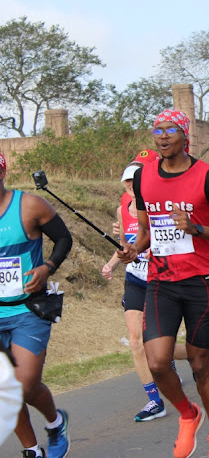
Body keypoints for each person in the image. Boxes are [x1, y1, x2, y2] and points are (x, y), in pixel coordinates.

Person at [117, 109, 209, 458]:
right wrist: (132, 250)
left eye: (171, 130)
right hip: (161, 280)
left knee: (200, 364)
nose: (163, 136)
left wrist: (196, 227)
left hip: (201, 280)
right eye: (158, 130)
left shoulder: (207, 177)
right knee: (157, 361)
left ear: (185, 136)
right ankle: (189, 414)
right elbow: (145, 232)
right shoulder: (143, 178)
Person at [101, 150, 188, 422]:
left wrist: (157, 251)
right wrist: (112, 263)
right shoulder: (122, 207)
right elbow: (128, 246)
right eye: (127, 180)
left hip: (160, 278)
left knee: (160, 348)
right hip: (136, 279)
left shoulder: (162, 204)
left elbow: (175, 239)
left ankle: (196, 357)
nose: (130, 185)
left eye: (135, 179)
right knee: (136, 341)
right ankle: (154, 400)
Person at [0, 152, 74, 458]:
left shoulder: (28, 205)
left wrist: (48, 267)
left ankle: (56, 423)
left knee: (25, 384)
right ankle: (32, 450)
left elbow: (64, 239)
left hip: (27, 309)